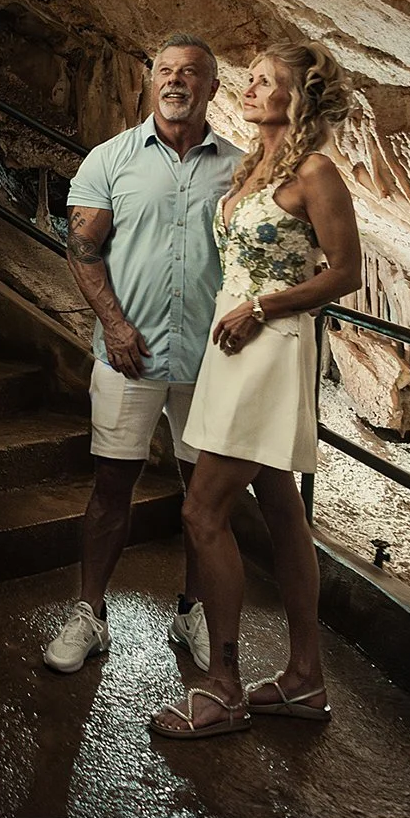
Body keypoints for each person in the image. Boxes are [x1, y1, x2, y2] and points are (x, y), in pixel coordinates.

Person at [149, 41, 361, 740]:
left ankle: (225, 687)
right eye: (252, 78)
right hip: (234, 339)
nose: (249, 87)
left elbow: (345, 273)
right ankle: (304, 681)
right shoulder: (255, 166)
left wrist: (265, 308)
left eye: (266, 82)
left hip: (271, 345)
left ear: (296, 98)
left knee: (202, 511)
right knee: (279, 505)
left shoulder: (316, 172)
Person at [42, 34, 244, 675]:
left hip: (212, 360)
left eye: (192, 72)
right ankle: (90, 613)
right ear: (151, 81)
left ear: (213, 88)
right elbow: (83, 248)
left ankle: (192, 611)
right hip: (129, 355)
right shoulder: (111, 159)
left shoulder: (240, 168)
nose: (177, 81)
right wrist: (116, 326)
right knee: (110, 486)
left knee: (204, 497)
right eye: (166, 71)